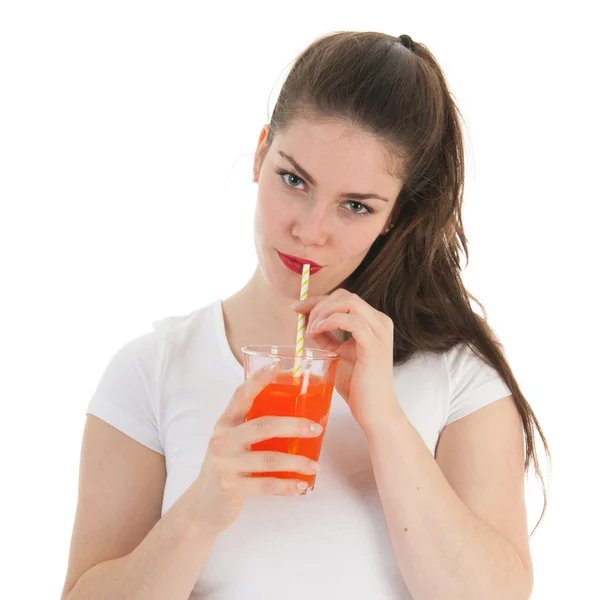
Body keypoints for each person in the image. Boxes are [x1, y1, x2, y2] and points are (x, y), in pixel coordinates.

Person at [61, 31, 550, 600]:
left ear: (393, 217)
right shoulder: (151, 370)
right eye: (293, 179)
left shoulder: (459, 376)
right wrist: (198, 512)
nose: (310, 230)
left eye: (356, 206)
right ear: (261, 151)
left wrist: (385, 423)